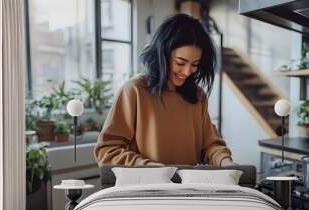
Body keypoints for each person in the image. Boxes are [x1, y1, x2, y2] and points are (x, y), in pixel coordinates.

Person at [94, 14, 236, 167]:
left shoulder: (197, 96)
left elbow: (210, 145)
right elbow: (107, 150)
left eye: (195, 64)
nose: (188, 71)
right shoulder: (134, 91)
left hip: (186, 188)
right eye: (180, 62)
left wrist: (225, 162)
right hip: (145, 188)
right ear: (162, 54)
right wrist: (146, 166)